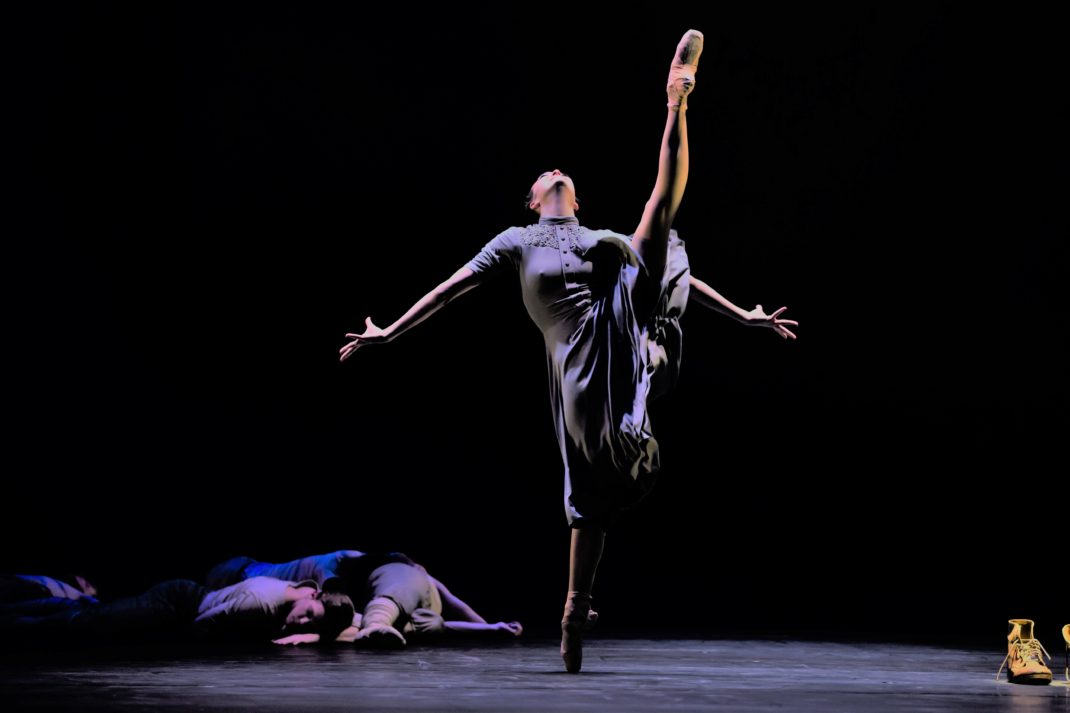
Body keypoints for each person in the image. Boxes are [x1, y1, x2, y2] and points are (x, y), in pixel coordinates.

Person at [339, 29, 798, 673]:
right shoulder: (516, 240)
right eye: (544, 176)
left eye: (563, 175)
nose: (555, 171)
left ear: (575, 198)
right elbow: (451, 289)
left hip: (616, 317)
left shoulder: (596, 233)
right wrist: (390, 329)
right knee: (590, 497)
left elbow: (674, 273)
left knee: (658, 225)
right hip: (576, 363)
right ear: (533, 201)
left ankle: (677, 97)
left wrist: (743, 315)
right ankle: (574, 610)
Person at [205, 550, 522, 647]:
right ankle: (377, 623)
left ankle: (378, 624)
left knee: (426, 624)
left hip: (254, 579)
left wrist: (489, 627)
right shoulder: (338, 564)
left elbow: (454, 602)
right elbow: (325, 573)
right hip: (240, 571)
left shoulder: (415, 579)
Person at [2, 575, 355, 645]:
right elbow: (201, 626)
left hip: (186, 594)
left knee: (98, 615)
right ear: (316, 597)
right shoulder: (262, 608)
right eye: (309, 614)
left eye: (310, 622)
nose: (302, 621)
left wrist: (314, 634)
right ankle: (14, 622)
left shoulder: (305, 588)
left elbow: (351, 622)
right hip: (178, 603)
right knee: (87, 623)